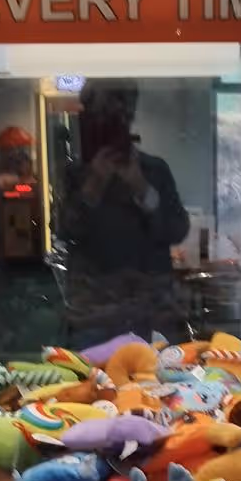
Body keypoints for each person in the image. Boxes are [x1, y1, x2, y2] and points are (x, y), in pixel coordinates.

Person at [55, 81, 192, 344]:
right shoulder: (76, 175)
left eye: (120, 117)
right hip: (93, 314)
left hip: (149, 311)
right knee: (89, 383)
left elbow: (178, 230)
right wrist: (92, 186)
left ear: (130, 120)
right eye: (102, 117)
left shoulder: (154, 171)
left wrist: (142, 188)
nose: (113, 125)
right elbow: (63, 231)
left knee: (156, 382)